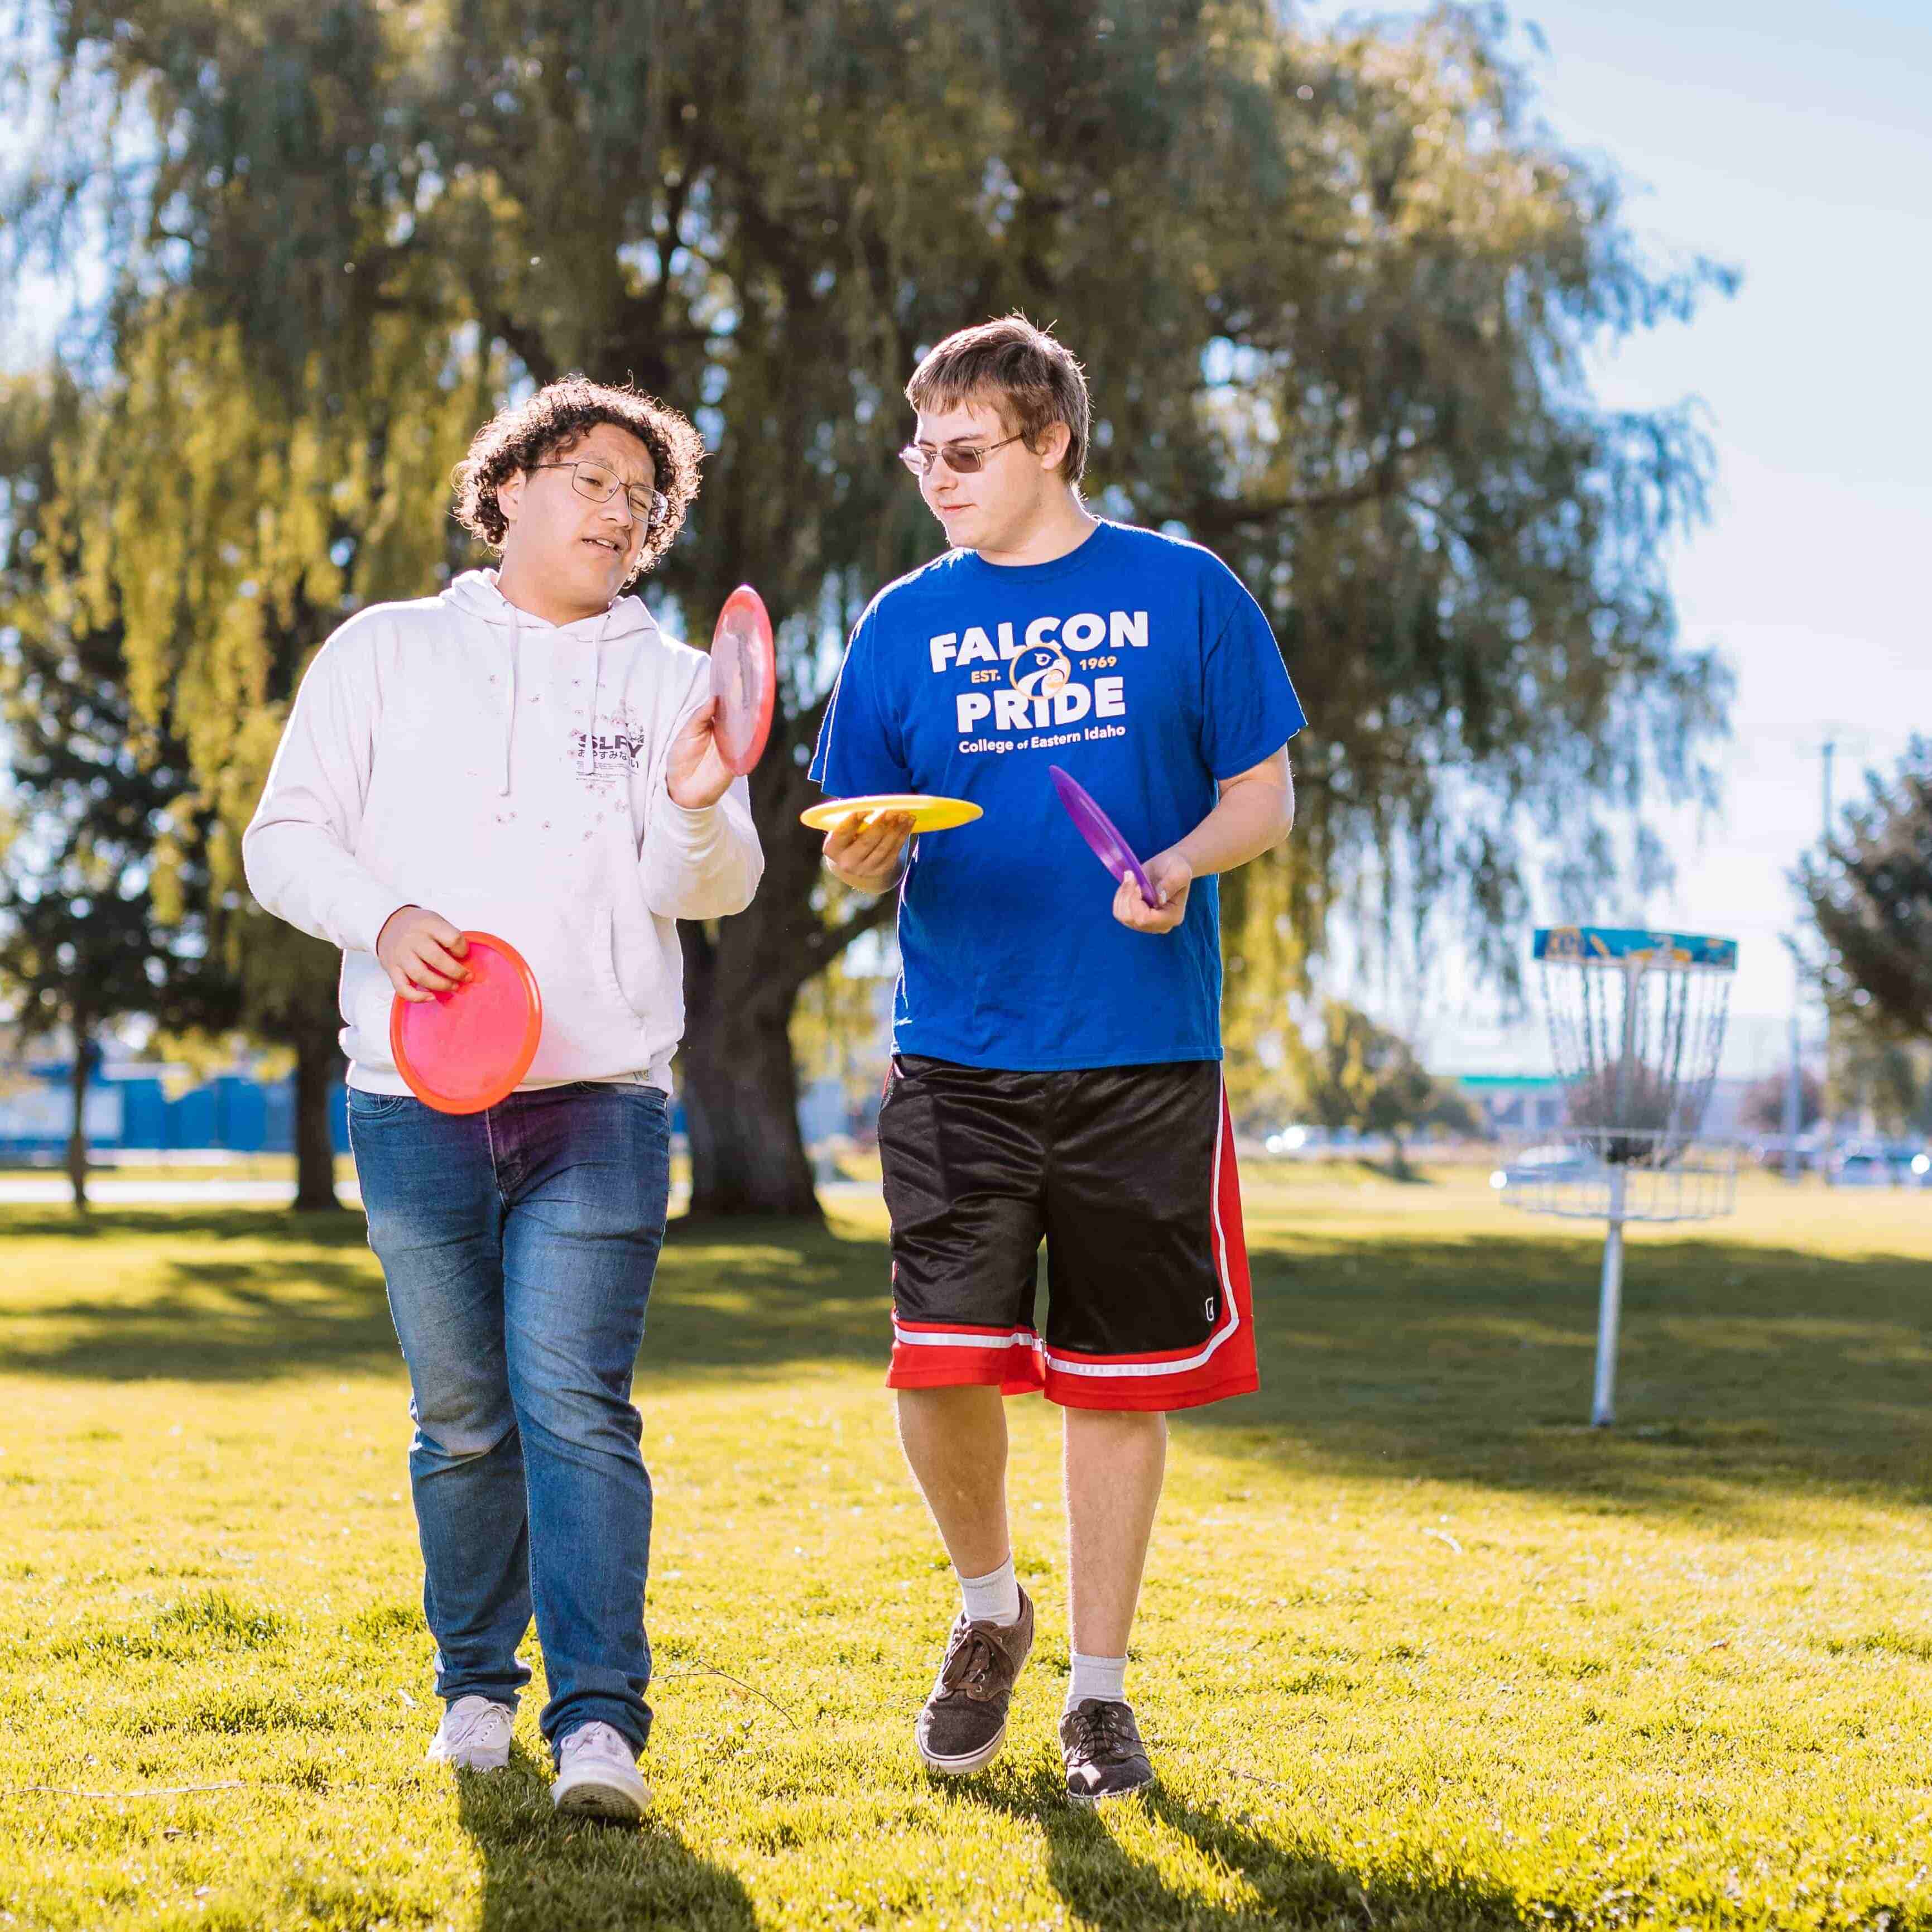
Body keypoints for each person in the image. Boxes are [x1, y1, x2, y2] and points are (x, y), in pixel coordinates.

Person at [243, 376, 762, 1822]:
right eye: (591, 480)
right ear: (511, 486)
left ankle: (600, 1727)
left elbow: (708, 890)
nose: (618, 513)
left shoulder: (670, 680)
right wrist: (381, 916)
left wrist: (703, 803)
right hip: (413, 1105)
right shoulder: (388, 652)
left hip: (598, 1104)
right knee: (463, 1416)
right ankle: (477, 1692)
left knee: (576, 1407)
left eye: (642, 501)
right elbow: (279, 838)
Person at [810, 316, 1303, 1803]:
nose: (936, 478)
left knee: (1115, 1377)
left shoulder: (1185, 591)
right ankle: (986, 1608)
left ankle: (1098, 1694)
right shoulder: (902, 620)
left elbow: (1263, 797)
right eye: (922, 454)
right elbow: (854, 844)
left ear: (1051, 444)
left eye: (964, 454)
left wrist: (1177, 860)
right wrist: (862, 853)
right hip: (957, 1048)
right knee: (938, 1361)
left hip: (1140, 1052)